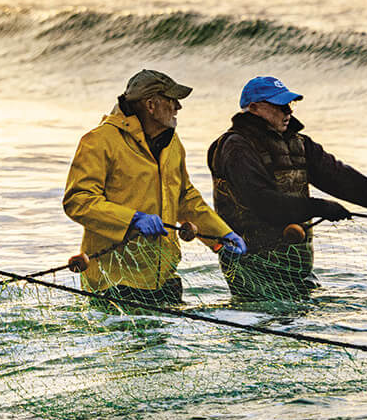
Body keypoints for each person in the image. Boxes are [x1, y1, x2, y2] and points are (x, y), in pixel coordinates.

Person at [208, 75, 367, 302]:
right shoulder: (235, 147)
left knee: (297, 324)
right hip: (250, 261)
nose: (288, 111)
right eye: (280, 106)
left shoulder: (299, 143)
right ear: (254, 108)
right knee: (268, 325)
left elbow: (340, 177)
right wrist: (319, 207)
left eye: (290, 104)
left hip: (295, 261)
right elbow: (262, 202)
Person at [63, 70, 246, 307]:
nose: (178, 107)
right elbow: (78, 201)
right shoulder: (99, 140)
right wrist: (132, 219)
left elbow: (185, 198)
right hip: (116, 283)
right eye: (171, 100)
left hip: (164, 278)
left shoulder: (172, 143)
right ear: (151, 104)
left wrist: (221, 235)